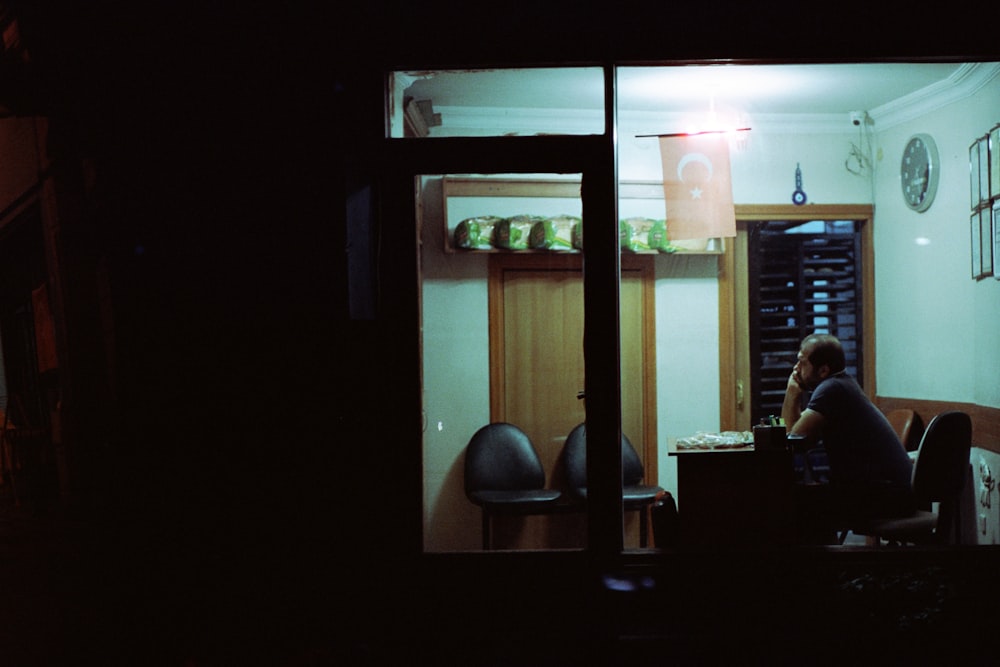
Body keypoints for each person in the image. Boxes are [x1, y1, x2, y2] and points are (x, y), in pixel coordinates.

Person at [781, 334, 915, 538]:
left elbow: (794, 441)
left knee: (795, 504)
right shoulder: (841, 384)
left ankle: (825, 568)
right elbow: (799, 441)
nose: (796, 368)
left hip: (886, 496)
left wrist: (792, 393)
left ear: (823, 370)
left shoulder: (832, 388)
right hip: (892, 493)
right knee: (805, 499)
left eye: (802, 361)